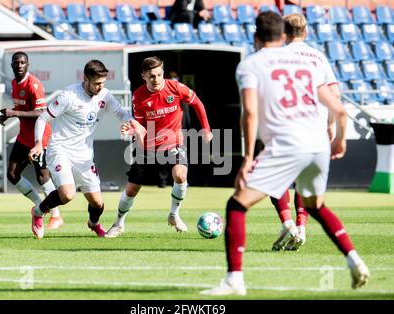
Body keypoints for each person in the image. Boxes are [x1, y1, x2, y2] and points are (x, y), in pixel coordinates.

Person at [201, 11, 369, 296]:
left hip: (287, 143)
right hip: (317, 143)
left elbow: (250, 113)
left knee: (237, 205)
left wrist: (247, 158)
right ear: (282, 37)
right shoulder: (308, 63)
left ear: (256, 37)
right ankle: (354, 260)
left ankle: (235, 280)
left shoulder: (250, 65)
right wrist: (340, 141)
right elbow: (339, 110)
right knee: (316, 206)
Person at [28, 59, 145, 239]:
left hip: (84, 156)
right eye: (97, 83)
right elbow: (42, 118)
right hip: (60, 150)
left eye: (103, 83)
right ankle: (38, 211)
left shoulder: (104, 96)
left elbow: (122, 113)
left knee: (98, 204)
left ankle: (93, 223)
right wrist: (38, 143)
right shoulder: (69, 95)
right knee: (67, 194)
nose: (100, 87)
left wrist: (133, 124)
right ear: (86, 79)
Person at [104, 56, 212, 238]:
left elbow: (197, 103)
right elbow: (140, 126)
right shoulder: (138, 96)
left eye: (159, 75)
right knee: (131, 189)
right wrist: (130, 129)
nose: (156, 79)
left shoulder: (176, 88)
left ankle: (173, 214)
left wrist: (206, 128)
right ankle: (119, 224)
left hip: (174, 143)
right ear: (143, 76)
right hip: (148, 147)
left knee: (180, 175)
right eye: (152, 76)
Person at [271, 13, 342, 251]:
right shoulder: (319, 57)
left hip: (286, 126)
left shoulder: (276, 56)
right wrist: (331, 124)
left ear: (284, 33)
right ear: (306, 32)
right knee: (305, 183)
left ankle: (287, 222)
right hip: (314, 128)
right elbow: (335, 94)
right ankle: (301, 227)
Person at [0, 51, 63, 230]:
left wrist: (15, 113)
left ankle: (56, 216)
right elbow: (21, 107)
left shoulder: (34, 85)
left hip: (39, 137)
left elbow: (41, 113)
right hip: (23, 137)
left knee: (42, 177)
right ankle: (38, 205)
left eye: (22, 62)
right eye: (16, 62)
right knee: (12, 174)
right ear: (12, 65)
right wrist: (9, 114)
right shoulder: (14, 83)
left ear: (28, 65)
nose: (19, 65)